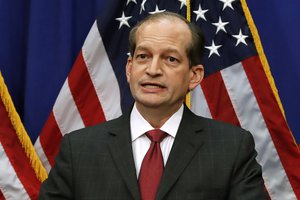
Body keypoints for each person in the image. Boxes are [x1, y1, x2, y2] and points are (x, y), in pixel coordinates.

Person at [39, 12, 268, 200]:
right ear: (129, 68)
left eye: (171, 59)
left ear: (194, 76)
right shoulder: (78, 149)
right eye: (143, 57)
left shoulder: (232, 148)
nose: (153, 69)